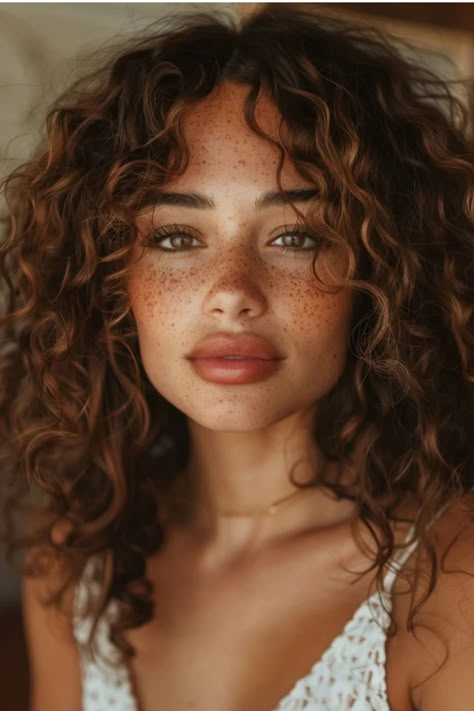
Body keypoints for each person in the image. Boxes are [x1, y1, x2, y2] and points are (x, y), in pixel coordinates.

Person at [0, 4, 473, 710]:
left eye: (296, 236)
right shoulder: (74, 559)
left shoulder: (450, 580)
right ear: (109, 278)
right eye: (176, 238)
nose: (232, 294)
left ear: (378, 271)